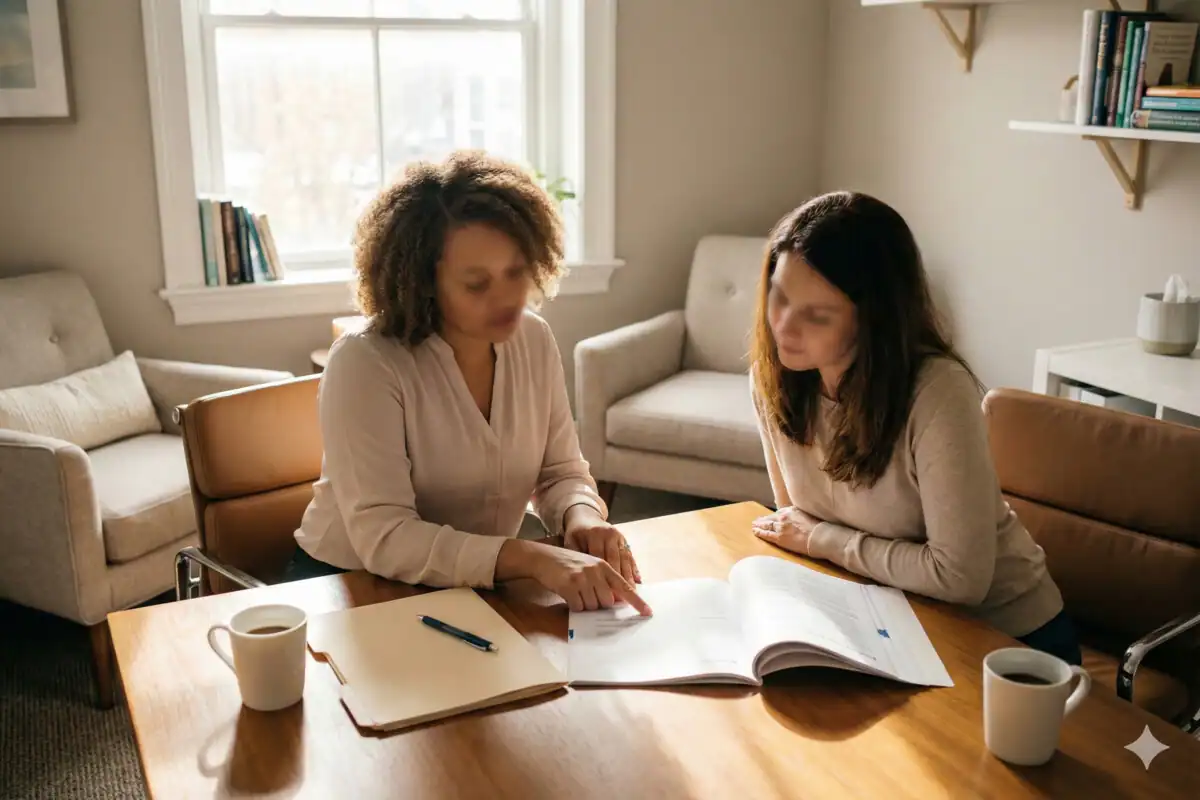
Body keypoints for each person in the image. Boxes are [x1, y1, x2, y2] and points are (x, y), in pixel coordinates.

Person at [290, 150, 650, 617]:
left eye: (516, 272)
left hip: (476, 586)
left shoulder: (533, 338)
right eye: (477, 284)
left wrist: (581, 516)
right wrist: (531, 557)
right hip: (350, 590)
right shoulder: (366, 361)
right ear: (422, 283)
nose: (507, 298)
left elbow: (560, 472)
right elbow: (387, 536)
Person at [747, 191, 1080, 665]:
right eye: (778, 296)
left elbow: (959, 578)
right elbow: (800, 520)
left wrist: (822, 541)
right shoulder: (776, 379)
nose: (783, 326)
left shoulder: (937, 391)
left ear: (873, 321)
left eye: (817, 314)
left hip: (1006, 639)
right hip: (891, 617)